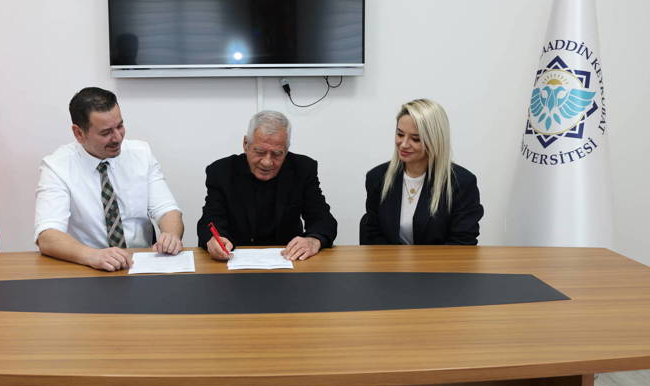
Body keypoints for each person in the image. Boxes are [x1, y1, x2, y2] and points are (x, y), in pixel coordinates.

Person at [34, 87, 183, 271]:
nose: (118, 138)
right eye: (106, 133)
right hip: (86, 267)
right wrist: (92, 256)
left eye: (120, 126)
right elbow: (47, 236)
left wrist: (171, 235)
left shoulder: (141, 153)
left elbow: (167, 210)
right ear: (79, 133)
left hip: (139, 264)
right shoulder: (57, 167)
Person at [197, 110, 337, 261]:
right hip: (234, 261)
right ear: (245, 144)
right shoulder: (221, 172)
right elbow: (210, 219)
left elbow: (323, 219)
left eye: (277, 154)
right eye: (259, 152)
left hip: (289, 260)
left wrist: (313, 240)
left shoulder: (302, 169)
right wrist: (214, 240)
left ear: (286, 150)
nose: (267, 162)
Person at [360, 99, 483, 245]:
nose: (404, 144)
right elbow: (372, 235)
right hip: (389, 260)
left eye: (416, 139)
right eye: (400, 134)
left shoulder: (461, 183)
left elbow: (462, 243)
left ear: (435, 141)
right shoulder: (377, 178)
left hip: (439, 260)